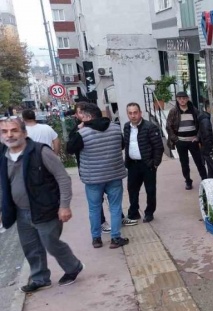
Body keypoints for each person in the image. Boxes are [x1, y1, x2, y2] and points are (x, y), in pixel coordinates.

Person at [0, 116, 84, 293]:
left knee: (50, 243)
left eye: (14, 130)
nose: (9, 135)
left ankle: (73, 266)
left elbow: (63, 178)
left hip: (45, 209)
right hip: (21, 212)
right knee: (30, 246)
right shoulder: (3, 155)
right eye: (4, 131)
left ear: (23, 132)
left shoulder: (40, 152)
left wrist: (64, 205)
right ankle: (40, 278)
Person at [67, 103, 134, 234]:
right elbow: (121, 146)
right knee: (115, 207)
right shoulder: (115, 128)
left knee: (94, 208)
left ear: (88, 117)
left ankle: (96, 238)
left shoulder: (82, 133)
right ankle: (116, 237)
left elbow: (69, 149)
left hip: (93, 178)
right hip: (114, 174)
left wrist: (77, 130)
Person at [123, 103, 164, 223]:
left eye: (135, 112)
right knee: (132, 189)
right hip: (132, 164)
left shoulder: (150, 127)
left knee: (150, 190)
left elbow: (159, 147)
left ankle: (149, 212)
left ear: (140, 113)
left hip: (147, 164)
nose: (133, 115)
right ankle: (134, 212)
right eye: (130, 113)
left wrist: (155, 163)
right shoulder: (127, 127)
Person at [166, 91, 207, 190]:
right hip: (181, 142)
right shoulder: (174, 111)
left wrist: (197, 137)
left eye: (184, 98)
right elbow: (168, 126)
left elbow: (200, 125)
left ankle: (205, 180)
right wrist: (176, 140)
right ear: (177, 99)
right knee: (184, 163)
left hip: (193, 141)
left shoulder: (194, 110)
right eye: (180, 98)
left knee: (199, 162)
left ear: (187, 99)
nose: (182, 100)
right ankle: (188, 181)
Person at [197, 101, 213, 179]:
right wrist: (211, 147)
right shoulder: (206, 119)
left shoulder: (205, 117)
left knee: (211, 170)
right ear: (209, 108)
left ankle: (210, 186)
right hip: (208, 147)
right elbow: (207, 134)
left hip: (206, 147)